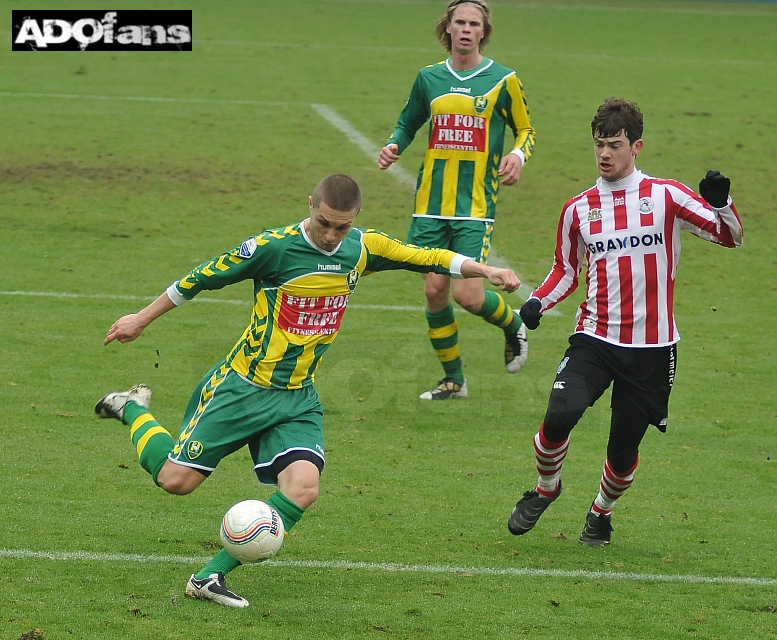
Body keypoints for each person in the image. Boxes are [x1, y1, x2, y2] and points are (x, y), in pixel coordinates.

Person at [94, 174, 521, 608]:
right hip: (242, 388)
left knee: (303, 488)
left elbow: (430, 256)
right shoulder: (273, 248)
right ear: (310, 206)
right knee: (175, 481)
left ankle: (208, 576)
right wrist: (141, 318)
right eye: (324, 223)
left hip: (297, 397)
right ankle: (132, 408)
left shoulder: (362, 248)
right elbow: (200, 278)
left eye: (342, 226)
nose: (332, 235)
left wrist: (485, 269)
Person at [507, 98, 743, 546]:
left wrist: (723, 203)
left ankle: (601, 511)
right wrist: (537, 301)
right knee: (560, 415)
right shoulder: (578, 208)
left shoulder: (667, 195)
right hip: (594, 338)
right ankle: (545, 488)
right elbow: (566, 269)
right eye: (599, 145)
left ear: (636, 146)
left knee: (622, 451)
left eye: (614, 145)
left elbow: (729, 238)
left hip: (652, 349)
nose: (604, 154)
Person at [377, 0, 535, 400]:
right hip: (431, 203)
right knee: (434, 292)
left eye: (473, 24)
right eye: (459, 22)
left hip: (475, 206)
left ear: (484, 32)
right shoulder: (429, 78)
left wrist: (517, 155)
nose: (465, 29)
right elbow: (407, 121)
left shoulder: (503, 79)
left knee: (468, 295)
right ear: (447, 28)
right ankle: (454, 380)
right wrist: (395, 145)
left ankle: (512, 323)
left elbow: (526, 130)